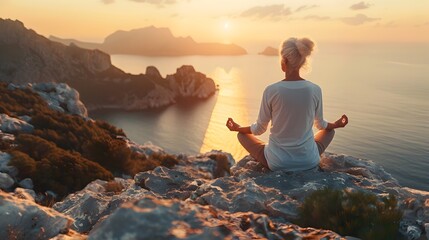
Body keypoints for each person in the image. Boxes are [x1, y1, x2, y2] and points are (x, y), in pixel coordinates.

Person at [226, 37, 348, 171]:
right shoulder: (315, 89)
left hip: (278, 163)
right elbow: (321, 125)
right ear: (302, 62)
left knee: (242, 136)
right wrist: (337, 124)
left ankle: (275, 153)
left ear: (283, 61)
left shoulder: (271, 90)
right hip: (309, 161)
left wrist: (238, 128)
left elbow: (259, 129)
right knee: (329, 132)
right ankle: (305, 154)